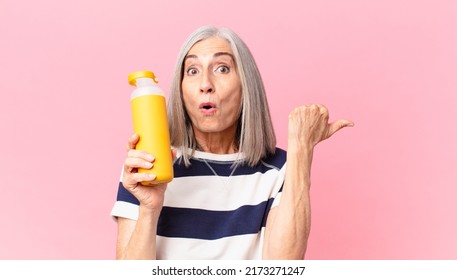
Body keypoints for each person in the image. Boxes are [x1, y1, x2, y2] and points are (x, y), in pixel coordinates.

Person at [111, 25, 354, 260]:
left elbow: (284, 268)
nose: (205, 84)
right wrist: (149, 209)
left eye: (222, 68)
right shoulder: (148, 166)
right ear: (180, 88)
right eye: (193, 71)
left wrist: (301, 149)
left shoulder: (278, 171)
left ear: (246, 85)